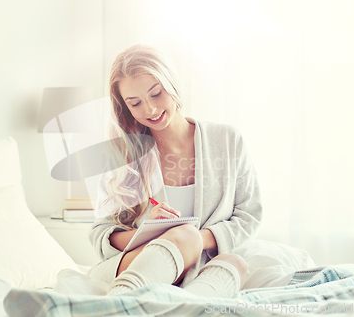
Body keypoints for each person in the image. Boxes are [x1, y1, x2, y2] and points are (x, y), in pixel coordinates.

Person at [87, 44, 262, 298]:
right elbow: (100, 234)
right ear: (125, 109)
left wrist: (195, 239)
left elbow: (249, 215)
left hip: (198, 267)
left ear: (171, 84)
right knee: (188, 240)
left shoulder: (226, 139)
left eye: (156, 94)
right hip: (137, 264)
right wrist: (147, 231)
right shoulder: (123, 154)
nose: (149, 110)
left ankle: (182, 307)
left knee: (237, 263)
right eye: (135, 103)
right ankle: (120, 303)